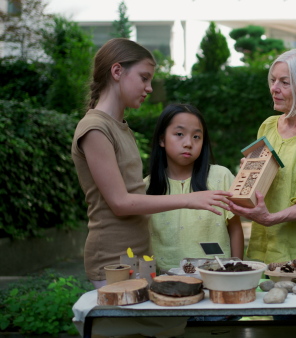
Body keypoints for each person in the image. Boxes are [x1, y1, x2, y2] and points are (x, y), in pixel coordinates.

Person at [71, 38, 232, 289]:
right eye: (144, 78)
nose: (148, 88)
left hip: (136, 257)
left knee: (160, 327)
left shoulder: (120, 127)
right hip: (113, 260)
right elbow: (121, 203)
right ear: (117, 71)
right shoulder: (95, 129)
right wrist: (190, 199)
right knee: (145, 327)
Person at [228, 49, 296, 268]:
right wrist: (250, 175)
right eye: (273, 80)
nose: (274, 88)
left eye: (284, 82)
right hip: (266, 250)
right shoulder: (268, 126)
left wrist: (269, 218)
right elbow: (262, 188)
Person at [145, 103, 244, 273]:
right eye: (179, 134)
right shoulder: (145, 188)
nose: (188, 143)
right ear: (162, 139)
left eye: (196, 137)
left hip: (217, 278)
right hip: (165, 283)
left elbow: (235, 228)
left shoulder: (221, 176)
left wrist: (236, 272)